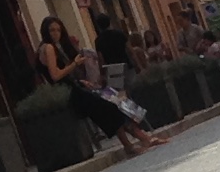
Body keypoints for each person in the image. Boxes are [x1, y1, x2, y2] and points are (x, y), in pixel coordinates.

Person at [36, 12, 160, 152]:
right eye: (52, 30)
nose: (55, 33)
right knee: (114, 104)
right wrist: (74, 64)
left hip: (74, 87)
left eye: (58, 30)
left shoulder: (44, 48)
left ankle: (142, 139)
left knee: (115, 101)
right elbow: (55, 75)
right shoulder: (49, 48)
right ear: (45, 30)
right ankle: (137, 142)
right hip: (72, 92)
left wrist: (82, 81)